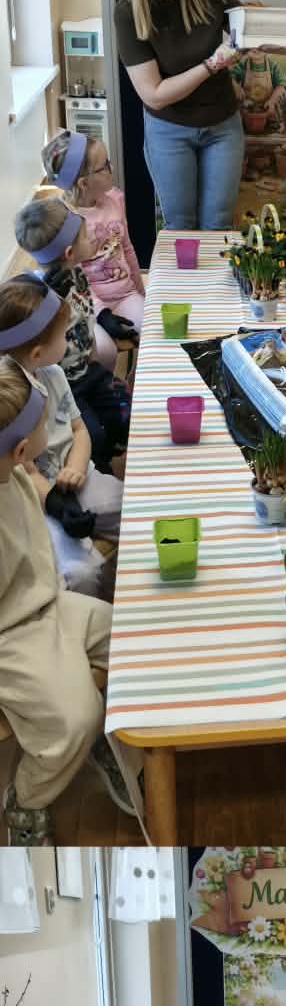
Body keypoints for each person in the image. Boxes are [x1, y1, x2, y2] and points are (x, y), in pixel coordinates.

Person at [0, 360, 130, 846]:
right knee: (77, 718)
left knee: (133, 645)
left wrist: (57, 501)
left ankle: (99, 743)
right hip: (10, 636)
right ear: (20, 449)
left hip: (46, 605)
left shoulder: (13, 471)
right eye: (41, 425)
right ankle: (26, 801)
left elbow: (36, 492)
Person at [113, 0, 244, 231]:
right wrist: (211, 65)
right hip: (168, 130)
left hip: (223, 125)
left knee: (218, 223)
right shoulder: (127, 13)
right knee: (180, 225)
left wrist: (250, 44)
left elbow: (246, 31)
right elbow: (154, 95)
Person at [0, 279, 121, 598]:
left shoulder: (53, 373)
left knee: (133, 510)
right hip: (39, 502)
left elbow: (79, 430)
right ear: (38, 352)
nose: (69, 342)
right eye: (64, 336)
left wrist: (76, 468)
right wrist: (56, 503)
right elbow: (25, 472)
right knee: (81, 573)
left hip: (76, 477)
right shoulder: (11, 400)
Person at [11, 207, 130, 466]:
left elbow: (85, 313)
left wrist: (97, 346)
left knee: (126, 408)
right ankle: (98, 466)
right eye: (86, 236)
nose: (92, 238)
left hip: (89, 369)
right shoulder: (36, 300)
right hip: (64, 387)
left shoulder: (76, 272)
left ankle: (115, 447)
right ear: (69, 253)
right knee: (93, 436)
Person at [41, 131, 145, 333]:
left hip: (125, 295)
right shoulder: (63, 220)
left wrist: (142, 294)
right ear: (84, 183)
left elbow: (127, 248)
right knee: (105, 349)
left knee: (152, 327)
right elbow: (73, 277)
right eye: (104, 166)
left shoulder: (115, 199)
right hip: (87, 307)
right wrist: (101, 313)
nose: (111, 168)